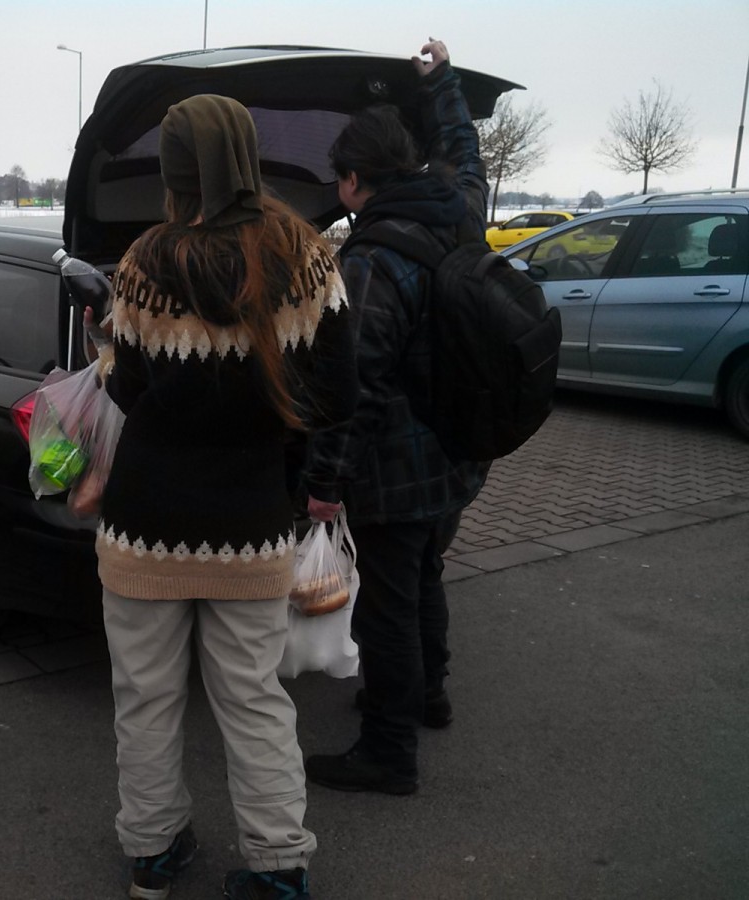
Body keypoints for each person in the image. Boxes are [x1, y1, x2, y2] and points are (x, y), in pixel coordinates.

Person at [91, 93, 356, 900]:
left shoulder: (142, 264)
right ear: (247, 153)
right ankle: (278, 866)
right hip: (251, 522)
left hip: (143, 525)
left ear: (173, 170)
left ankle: (153, 854)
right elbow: (337, 394)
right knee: (254, 700)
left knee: (145, 699)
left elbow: (125, 388)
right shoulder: (308, 261)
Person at [303, 39, 491, 796]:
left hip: (398, 467)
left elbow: (355, 386)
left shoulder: (372, 259)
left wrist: (324, 483)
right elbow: (465, 151)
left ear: (355, 181)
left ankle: (387, 750)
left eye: (340, 179)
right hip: (458, 447)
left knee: (386, 603)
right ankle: (429, 695)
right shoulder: (458, 209)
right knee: (424, 574)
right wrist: (441, 82)